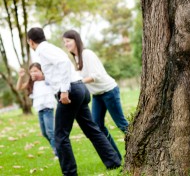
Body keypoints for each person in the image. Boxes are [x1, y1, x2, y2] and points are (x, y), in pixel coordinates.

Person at [27, 27, 121, 176]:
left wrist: (64, 91)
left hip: (70, 91)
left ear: (31, 42)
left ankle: (70, 173)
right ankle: (114, 162)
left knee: (60, 136)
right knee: (91, 129)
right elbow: (59, 71)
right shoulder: (51, 47)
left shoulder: (43, 50)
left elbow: (64, 64)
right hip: (79, 88)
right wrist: (43, 77)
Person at [62, 29, 129, 161]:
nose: (66, 44)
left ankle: (141, 148)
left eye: (68, 41)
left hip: (109, 91)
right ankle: (116, 157)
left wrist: (78, 82)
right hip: (97, 95)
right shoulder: (76, 58)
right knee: (98, 126)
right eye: (64, 42)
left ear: (76, 40)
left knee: (121, 123)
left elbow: (96, 75)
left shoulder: (87, 54)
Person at [16, 63, 57, 157]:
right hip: (40, 110)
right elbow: (19, 88)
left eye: (35, 71)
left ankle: (58, 153)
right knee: (44, 133)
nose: (33, 73)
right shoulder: (32, 83)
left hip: (48, 108)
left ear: (41, 71)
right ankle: (57, 149)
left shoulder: (47, 80)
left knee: (50, 132)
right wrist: (21, 77)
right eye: (31, 71)